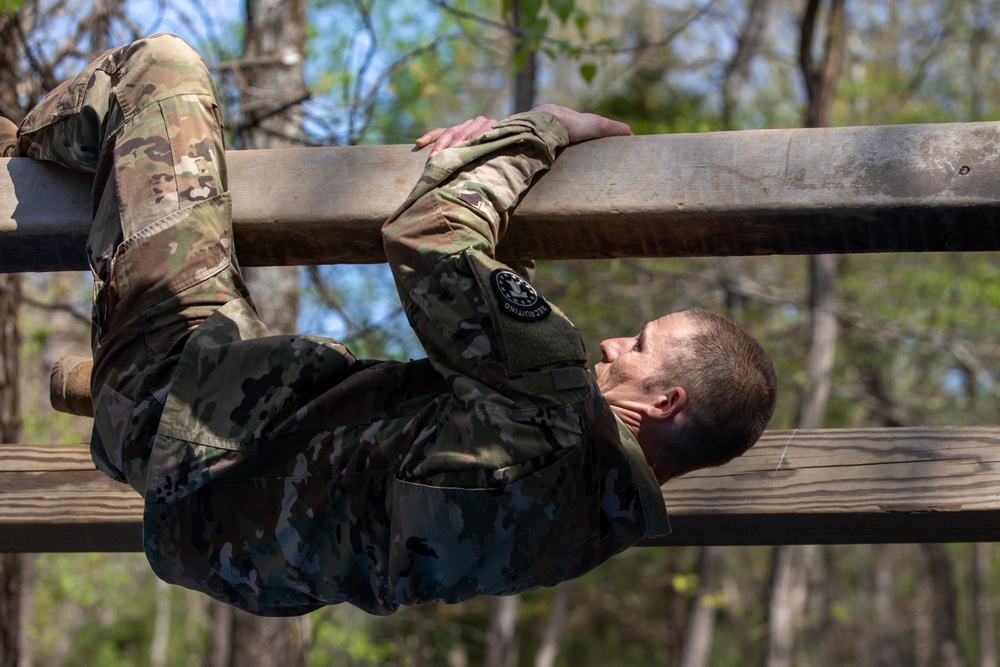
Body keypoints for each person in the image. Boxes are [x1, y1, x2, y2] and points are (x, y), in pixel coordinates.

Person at [1, 34, 777, 616]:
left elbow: (429, 234)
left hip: (182, 400)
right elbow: (488, 395)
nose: (613, 343)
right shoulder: (586, 532)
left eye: (639, 346)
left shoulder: (560, 406)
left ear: (668, 401)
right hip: (202, 527)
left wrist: (536, 129)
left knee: (161, 70)